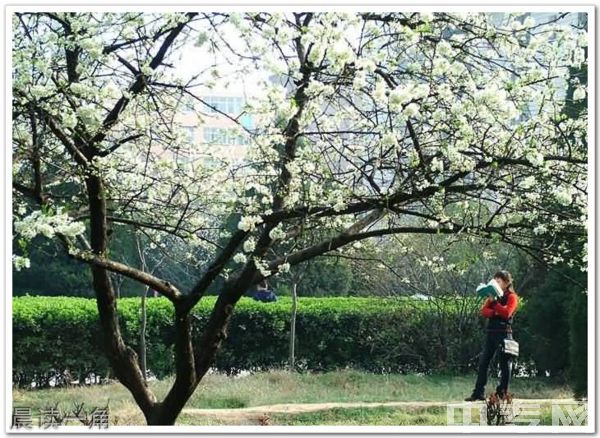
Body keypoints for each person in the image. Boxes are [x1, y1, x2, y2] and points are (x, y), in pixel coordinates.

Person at [465, 270, 519, 401]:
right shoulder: (492, 296)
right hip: (491, 333)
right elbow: (484, 311)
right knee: (483, 362)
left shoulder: (511, 297)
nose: (496, 283)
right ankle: (478, 392)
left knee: (504, 364)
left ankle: (502, 392)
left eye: (499, 281)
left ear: (506, 283)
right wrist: (496, 311)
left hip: (504, 333)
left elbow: (507, 313)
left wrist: (495, 305)